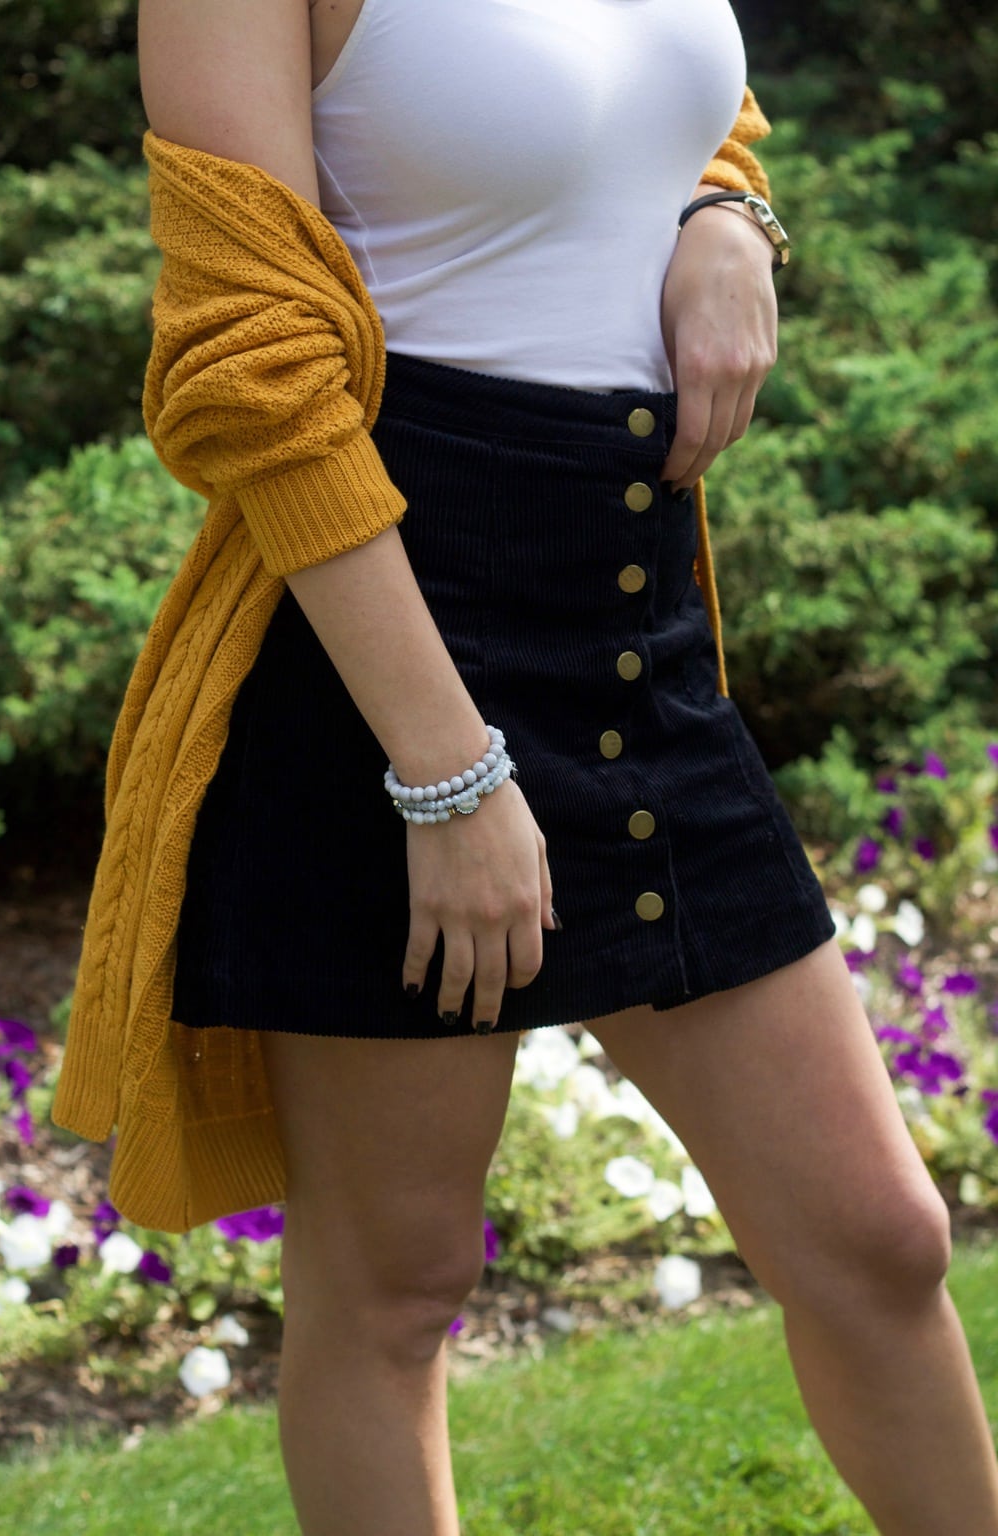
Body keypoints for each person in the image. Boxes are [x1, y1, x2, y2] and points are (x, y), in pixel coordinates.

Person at [52, 2, 998, 1532]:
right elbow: (243, 350)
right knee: (397, 1281)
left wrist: (731, 215)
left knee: (877, 1236)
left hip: (632, 624)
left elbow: (679, 112)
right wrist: (444, 771)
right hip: (386, 646)